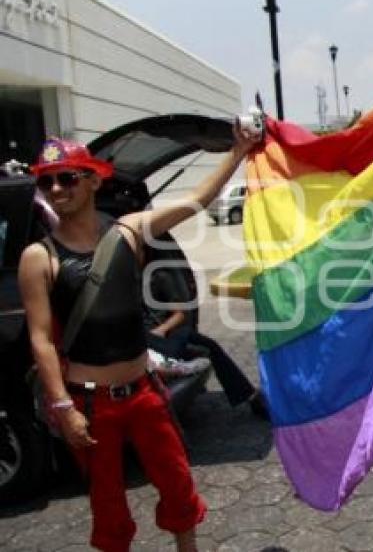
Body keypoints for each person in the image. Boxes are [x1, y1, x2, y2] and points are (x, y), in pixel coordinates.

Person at [17, 128, 258, 552]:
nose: (56, 188)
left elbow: (196, 200)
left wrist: (238, 151)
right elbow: (41, 341)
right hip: (90, 403)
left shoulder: (128, 231)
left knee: (178, 484)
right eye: (46, 180)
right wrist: (62, 408)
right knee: (107, 506)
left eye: (67, 177)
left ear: (93, 179)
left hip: (145, 392)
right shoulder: (40, 257)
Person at [143, 262, 268, 418]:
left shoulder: (158, 278)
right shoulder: (120, 285)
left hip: (163, 336)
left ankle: (249, 395)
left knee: (209, 346)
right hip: (142, 342)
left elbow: (179, 314)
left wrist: (161, 330)